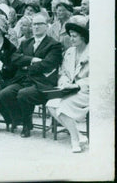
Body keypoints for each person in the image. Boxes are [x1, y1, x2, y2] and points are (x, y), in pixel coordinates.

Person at [0, 11, 63, 137]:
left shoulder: (54, 44)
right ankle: (19, 119)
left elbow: (48, 64)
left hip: (41, 83)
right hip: (23, 80)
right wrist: (31, 60)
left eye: (39, 24)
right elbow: (14, 59)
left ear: (46, 26)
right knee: (4, 94)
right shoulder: (25, 43)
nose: (36, 27)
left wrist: (26, 65)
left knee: (23, 94)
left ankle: (26, 126)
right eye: (34, 24)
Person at [45, 16, 89, 153]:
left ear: (83, 37)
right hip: (69, 90)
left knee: (63, 107)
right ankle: (79, 135)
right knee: (51, 104)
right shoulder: (70, 51)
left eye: (75, 36)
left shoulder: (93, 52)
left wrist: (78, 85)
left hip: (86, 91)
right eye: (70, 36)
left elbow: (97, 79)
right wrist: (64, 82)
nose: (71, 39)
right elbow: (64, 72)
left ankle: (74, 140)